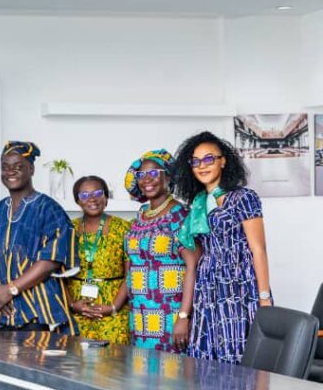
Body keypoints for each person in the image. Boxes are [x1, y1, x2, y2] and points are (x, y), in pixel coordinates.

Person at [174, 131, 273, 363]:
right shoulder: (198, 204)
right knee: (207, 354)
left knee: (239, 352)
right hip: (208, 286)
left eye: (209, 159)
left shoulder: (243, 197)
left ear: (223, 161)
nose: (202, 166)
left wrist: (264, 298)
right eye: (195, 161)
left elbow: (258, 249)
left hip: (240, 285)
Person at [0, 142, 78, 333]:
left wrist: (11, 289)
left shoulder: (49, 209)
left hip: (37, 308)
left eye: (18, 167)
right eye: (5, 168)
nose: (10, 172)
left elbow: (50, 260)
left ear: (31, 169)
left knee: (36, 361)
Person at [115, 150, 199, 352]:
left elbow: (193, 266)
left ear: (168, 177)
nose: (146, 180)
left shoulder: (181, 215)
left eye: (153, 173)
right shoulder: (140, 216)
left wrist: (183, 317)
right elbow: (133, 266)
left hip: (171, 315)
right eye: (141, 175)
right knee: (142, 377)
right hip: (139, 316)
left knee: (171, 378)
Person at [66, 175, 131, 344]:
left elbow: (130, 273)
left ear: (106, 197)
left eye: (97, 193)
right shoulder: (68, 229)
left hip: (114, 311)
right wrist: (73, 304)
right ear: (78, 201)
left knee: (112, 364)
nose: (92, 199)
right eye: (85, 195)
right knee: (76, 364)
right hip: (77, 312)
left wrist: (113, 306)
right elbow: (58, 272)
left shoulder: (123, 228)